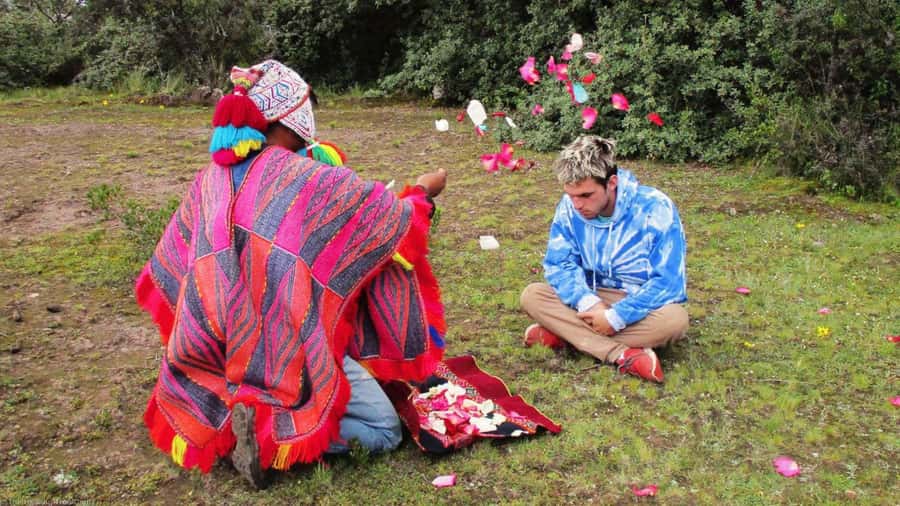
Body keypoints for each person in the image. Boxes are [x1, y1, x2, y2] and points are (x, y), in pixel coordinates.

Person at [136, 60, 448, 489]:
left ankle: (227, 418)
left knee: (266, 347)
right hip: (288, 341)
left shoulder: (211, 178)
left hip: (214, 343)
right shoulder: (304, 177)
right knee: (383, 429)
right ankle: (264, 442)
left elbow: (173, 260)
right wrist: (424, 190)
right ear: (295, 117)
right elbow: (387, 219)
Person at [520, 136, 687, 383]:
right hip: (589, 298)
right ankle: (620, 354)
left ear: (612, 182)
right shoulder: (569, 206)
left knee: (675, 321)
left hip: (640, 302)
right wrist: (589, 304)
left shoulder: (655, 207)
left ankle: (565, 335)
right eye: (571, 195)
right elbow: (559, 264)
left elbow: (669, 282)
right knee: (532, 295)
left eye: (586, 195)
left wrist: (616, 317)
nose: (577, 204)